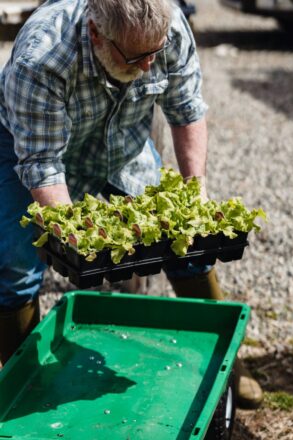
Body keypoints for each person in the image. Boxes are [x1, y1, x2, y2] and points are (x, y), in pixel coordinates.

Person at [0, 0, 262, 409]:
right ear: (95, 34)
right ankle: (26, 383)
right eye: (137, 57)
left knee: (185, 242)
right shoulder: (42, 55)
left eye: (153, 54)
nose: (147, 66)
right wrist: (77, 238)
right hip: (32, 147)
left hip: (124, 143)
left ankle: (228, 362)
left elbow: (187, 109)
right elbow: (43, 163)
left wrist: (196, 194)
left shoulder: (167, 27)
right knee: (16, 262)